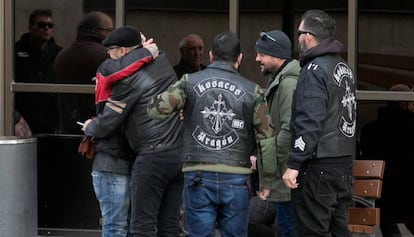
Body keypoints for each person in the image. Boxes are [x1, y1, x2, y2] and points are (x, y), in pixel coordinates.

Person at [148, 31, 277, 237]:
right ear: (239, 58)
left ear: (210, 55)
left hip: (198, 173)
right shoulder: (253, 91)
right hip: (237, 176)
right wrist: (268, 182)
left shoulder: (189, 82)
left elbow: (155, 110)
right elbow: (267, 140)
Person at [82, 26, 183, 237]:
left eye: (111, 51)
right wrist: (145, 51)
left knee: (141, 227)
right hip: (178, 155)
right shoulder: (162, 60)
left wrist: (90, 127)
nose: (108, 56)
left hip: (152, 157)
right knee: (169, 226)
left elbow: (107, 122)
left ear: (123, 52)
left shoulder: (127, 81)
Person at [282, 9, 357, 237]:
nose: (298, 39)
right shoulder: (343, 67)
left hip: (318, 167)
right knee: (338, 232)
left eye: (299, 33)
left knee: (312, 231)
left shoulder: (314, 69)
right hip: (343, 165)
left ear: (308, 36)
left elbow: (310, 119)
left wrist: (294, 164)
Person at [250, 30, 300, 237]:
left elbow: (288, 129)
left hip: (285, 179)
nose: (257, 58)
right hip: (282, 179)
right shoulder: (280, 81)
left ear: (278, 56)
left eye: (262, 53)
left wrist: (265, 164)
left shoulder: (288, 84)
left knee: (288, 228)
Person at [359, 83, 414, 237]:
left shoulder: (370, 130)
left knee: (388, 225)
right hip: (409, 194)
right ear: (406, 103)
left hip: (381, 195)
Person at [54, 11, 114, 134]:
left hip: (67, 126)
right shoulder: (105, 56)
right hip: (96, 127)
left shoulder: (62, 55)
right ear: (96, 30)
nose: (112, 35)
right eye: (110, 30)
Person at [14, 9, 62, 134]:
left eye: (50, 25)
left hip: (50, 118)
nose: (46, 28)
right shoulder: (16, 52)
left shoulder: (58, 53)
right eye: (41, 25)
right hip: (24, 117)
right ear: (31, 27)